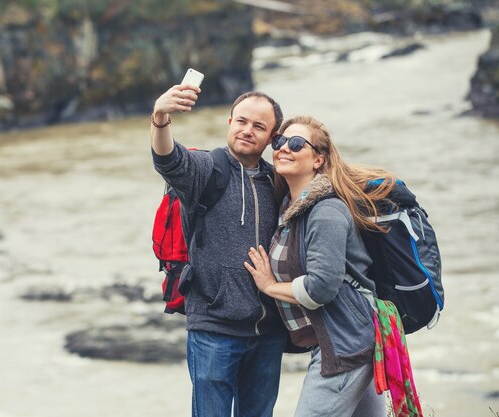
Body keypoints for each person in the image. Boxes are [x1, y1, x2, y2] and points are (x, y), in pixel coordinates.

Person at [150, 82, 289, 417]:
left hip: (268, 332)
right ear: (229, 123)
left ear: (271, 138)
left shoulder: (278, 183)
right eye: (241, 121)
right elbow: (169, 160)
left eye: (259, 126)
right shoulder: (206, 169)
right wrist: (160, 116)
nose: (247, 130)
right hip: (214, 328)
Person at [244, 115, 394, 417]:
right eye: (280, 141)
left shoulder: (325, 211)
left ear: (318, 160)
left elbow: (321, 288)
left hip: (346, 342)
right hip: (345, 339)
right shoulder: (291, 207)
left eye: (297, 143)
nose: (284, 148)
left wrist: (270, 286)